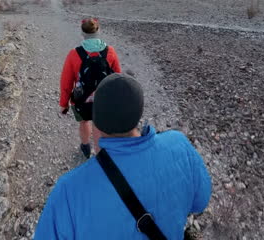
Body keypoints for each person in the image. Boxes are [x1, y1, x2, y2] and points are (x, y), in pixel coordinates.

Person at [36, 74, 212, 239]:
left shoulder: (68, 191)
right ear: (138, 113)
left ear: (96, 120)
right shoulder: (179, 143)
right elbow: (200, 202)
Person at [59, 17, 122, 158]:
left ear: (82, 33)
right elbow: (118, 76)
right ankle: (100, 156)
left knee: (84, 122)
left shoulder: (74, 54)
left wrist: (64, 104)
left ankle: (86, 147)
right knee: (99, 125)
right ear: (98, 31)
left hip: (82, 98)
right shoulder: (110, 51)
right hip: (104, 97)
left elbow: (66, 82)